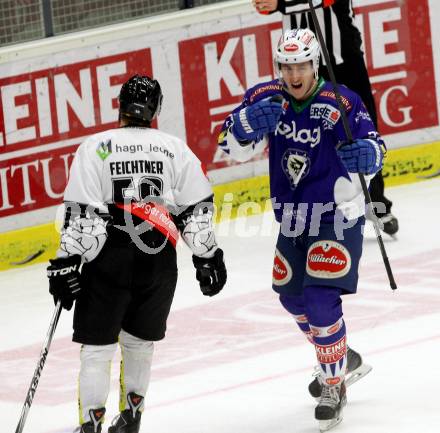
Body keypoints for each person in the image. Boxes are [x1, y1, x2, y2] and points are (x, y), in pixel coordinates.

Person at [218, 28, 382, 430]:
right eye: (286, 66)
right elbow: (227, 146)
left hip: (336, 213)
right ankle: (344, 357)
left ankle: (333, 384)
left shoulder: (342, 101)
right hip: (292, 217)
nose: (293, 75)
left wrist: (368, 156)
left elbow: (375, 145)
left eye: (301, 66)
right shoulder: (264, 98)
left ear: (315, 65)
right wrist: (242, 125)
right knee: (292, 300)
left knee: (320, 298)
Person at [47, 75, 227, 433]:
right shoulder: (174, 148)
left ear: (120, 105)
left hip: (108, 258)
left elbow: (83, 213)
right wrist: (207, 257)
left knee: (98, 349)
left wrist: (67, 261)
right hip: (158, 258)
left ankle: (90, 424)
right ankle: (131, 417)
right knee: (140, 344)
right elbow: (197, 209)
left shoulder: (97, 146)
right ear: (156, 110)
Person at [253, 0, 399, 236]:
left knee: (362, 129)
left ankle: (375, 202)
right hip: (304, 61)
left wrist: (280, 3)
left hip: (342, 56)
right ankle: (316, 204)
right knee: (309, 133)